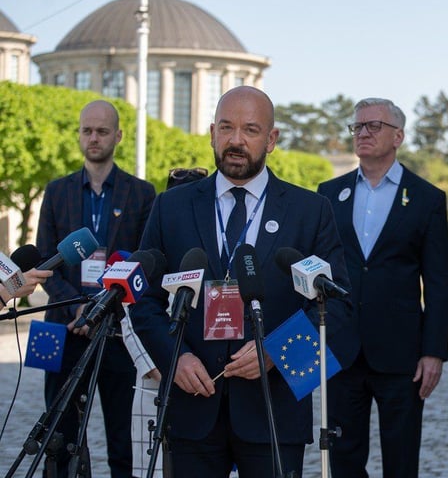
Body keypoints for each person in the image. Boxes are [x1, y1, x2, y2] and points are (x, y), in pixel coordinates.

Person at [130, 86, 352, 478]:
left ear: (272, 139)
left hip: (274, 411)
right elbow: (143, 297)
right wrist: (173, 357)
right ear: (212, 132)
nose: (236, 141)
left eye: (250, 130)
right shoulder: (171, 207)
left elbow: (335, 307)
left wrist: (276, 352)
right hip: (191, 405)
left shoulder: (310, 210)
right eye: (227, 128)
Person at [317, 98, 448, 477]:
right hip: (342, 352)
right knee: (342, 457)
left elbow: (438, 283)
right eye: (357, 126)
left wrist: (434, 352)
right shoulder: (328, 193)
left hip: (402, 354)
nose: (363, 132)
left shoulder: (427, 198)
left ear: (398, 136)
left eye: (374, 126)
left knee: (401, 458)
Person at [36, 99, 156, 478]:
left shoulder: (142, 193)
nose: (93, 138)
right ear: (79, 135)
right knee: (59, 436)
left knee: (123, 437)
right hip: (62, 325)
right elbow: (44, 264)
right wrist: (75, 309)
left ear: (118, 136)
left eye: (102, 131)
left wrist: (104, 310)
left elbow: (145, 264)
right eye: (87, 130)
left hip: (118, 332)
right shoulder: (56, 192)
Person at [120, 166, 207, 477]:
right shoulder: (149, 255)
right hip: (153, 386)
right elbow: (130, 316)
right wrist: (162, 363)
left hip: (204, 387)